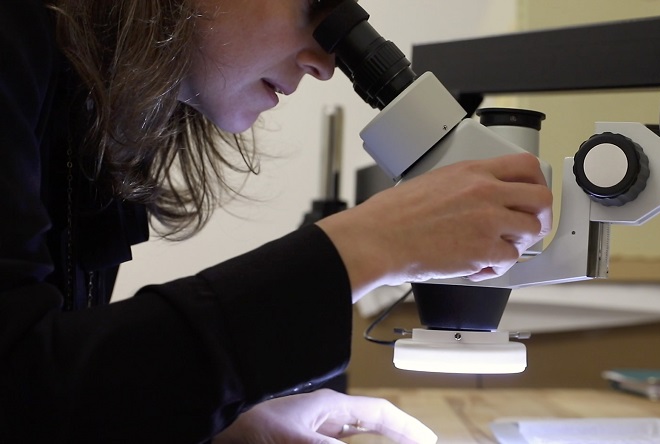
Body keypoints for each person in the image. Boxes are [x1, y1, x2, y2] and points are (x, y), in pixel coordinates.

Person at [0, 0, 553, 442]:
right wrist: (365, 245)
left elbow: (60, 396)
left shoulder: (88, 100)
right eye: (314, 4)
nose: (326, 60)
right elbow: (19, 387)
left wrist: (217, 425)